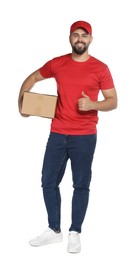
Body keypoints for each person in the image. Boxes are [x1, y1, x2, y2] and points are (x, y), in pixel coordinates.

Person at [18, 20, 117, 253]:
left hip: (85, 135)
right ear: (70, 38)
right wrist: (22, 104)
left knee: (81, 184)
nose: (80, 39)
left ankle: (75, 232)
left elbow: (113, 101)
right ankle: (54, 230)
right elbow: (32, 78)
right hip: (57, 133)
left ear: (91, 39)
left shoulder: (100, 68)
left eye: (84, 35)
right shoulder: (58, 63)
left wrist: (92, 103)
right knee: (48, 181)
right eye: (75, 35)